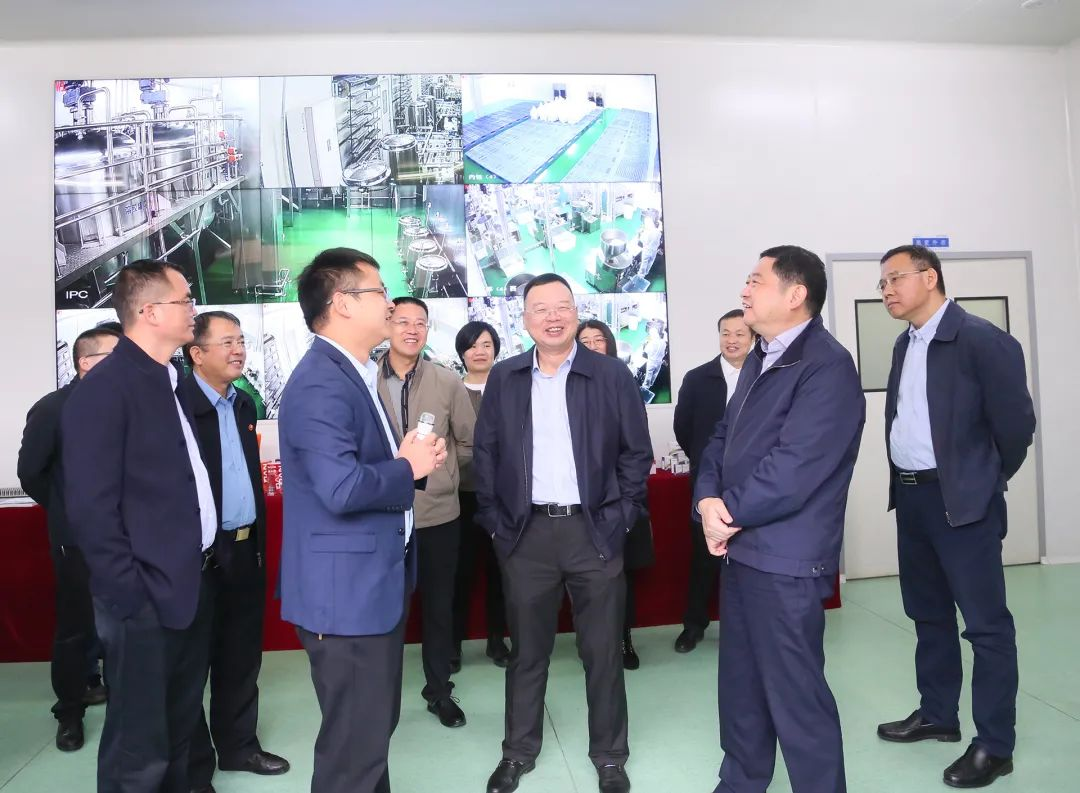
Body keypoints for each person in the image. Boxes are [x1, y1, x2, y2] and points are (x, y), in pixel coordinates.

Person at [694, 246, 865, 793]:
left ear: (795, 295)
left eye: (756, 281)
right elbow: (722, 438)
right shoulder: (762, 356)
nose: (744, 291)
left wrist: (727, 512)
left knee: (797, 699)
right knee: (740, 690)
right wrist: (706, 500)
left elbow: (797, 466)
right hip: (743, 552)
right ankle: (740, 783)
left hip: (787, 560)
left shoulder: (826, 366)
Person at [474, 273, 652, 793]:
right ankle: (518, 752)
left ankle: (610, 757)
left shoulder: (610, 374)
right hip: (525, 535)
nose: (553, 317)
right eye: (541, 308)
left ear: (575, 312)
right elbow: (486, 455)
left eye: (562, 306)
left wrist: (621, 516)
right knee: (528, 653)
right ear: (525, 318)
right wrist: (497, 523)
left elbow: (635, 453)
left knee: (602, 652)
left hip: (594, 531)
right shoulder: (505, 377)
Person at [278, 248, 446, 793]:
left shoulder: (349, 373)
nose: (391, 303)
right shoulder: (321, 381)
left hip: (365, 590)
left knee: (368, 740)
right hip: (344, 599)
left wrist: (406, 461)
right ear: (343, 303)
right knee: (353, 751)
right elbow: (342, 488)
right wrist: (406, 467)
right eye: (380, 291)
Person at [875, 245, 1035, 789]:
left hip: (963, 503)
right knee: (928, 613)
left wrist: (982, 480)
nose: (887, 290)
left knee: (986, 627)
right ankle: (938, 714)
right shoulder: (905, 343)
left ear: (930, 277)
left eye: (895, 278)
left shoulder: (982, 340)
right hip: (912, 499)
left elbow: (1016, 427)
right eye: (881, 284)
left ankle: (995, 745)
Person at [62, 259, 218, 793]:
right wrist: (129, 595)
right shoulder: (106, 390)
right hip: (144, 598)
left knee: (177, 731)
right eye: (185, 299)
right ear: (149, 312)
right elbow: (91, 509)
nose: (193, 308)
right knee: (139, 746)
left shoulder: (169, 379)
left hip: (187, 584)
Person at [181, 311, 290, 792]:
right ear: (196, 353)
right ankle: (194, 770)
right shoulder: (179, 406)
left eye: (241, 341)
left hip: (246, 550)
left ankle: (239, 746)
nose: (239, 350)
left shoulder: (244, 403)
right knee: (191, 666)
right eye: (226, 342)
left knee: (241, 657)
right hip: (199, 556)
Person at [375, 296, 476, 729]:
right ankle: (379, 698)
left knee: (438, 608)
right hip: (382, 517)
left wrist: (444, 475)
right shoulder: (365, 379)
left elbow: (469, 442)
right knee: (384, 611)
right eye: (403, 321)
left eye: (420, 322)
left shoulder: (446, 380)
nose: (412, 330)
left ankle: (439, 691)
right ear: (387, 326)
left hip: (437, 516)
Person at [18, 325, 119, 752]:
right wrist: (67, 509)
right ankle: (70, 713)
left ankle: (123, 704)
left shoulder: (130, 406)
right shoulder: (53, 409)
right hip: (76, 541)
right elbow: (31, 473)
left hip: (125, 539)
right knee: (76, 629)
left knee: (125, 626)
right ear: (86, 363)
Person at [671, 309, 753, 654]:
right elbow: (683, 428)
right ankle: (694, 626)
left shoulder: (765, 375)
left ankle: (747, 628)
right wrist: (707, 466)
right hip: (708, 486)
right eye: (725, 333)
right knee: (704, 558)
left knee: (750, 559)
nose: (732, 340)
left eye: (740, 334)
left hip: (753, 484)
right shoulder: (697, 378)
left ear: (753, 338)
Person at [577, 319, 655, 670]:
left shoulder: (621, 380)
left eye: (598, 339)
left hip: (617, 498)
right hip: (577, 504)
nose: (593, 345)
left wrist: (626, 502)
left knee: (618, 577)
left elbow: (637, 446)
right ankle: (590, 643)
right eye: (585, 341)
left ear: (609, 343)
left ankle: (624, 640)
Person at [451, 320, 510, 671]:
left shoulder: (509, 388)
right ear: (462, 352)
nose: (479, 351)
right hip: (461, 497)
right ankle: (453, 645)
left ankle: (497, 641)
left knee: (500, 572)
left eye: (486, 344)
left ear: (496, 350)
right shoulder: (452, 389)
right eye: (472, 345)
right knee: (459, 574)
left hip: (502, 498)